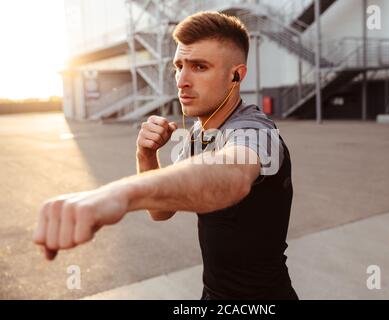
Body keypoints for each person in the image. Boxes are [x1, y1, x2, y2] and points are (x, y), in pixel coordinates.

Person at [33, 11, 298, 300]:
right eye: (178, 66)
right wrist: (146, 155)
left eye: (199, 67)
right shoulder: (196, 133)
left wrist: (119, 194)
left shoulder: (256, 130)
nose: (181, 80)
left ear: (236, 75)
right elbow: (161, 211)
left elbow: (232, 175)